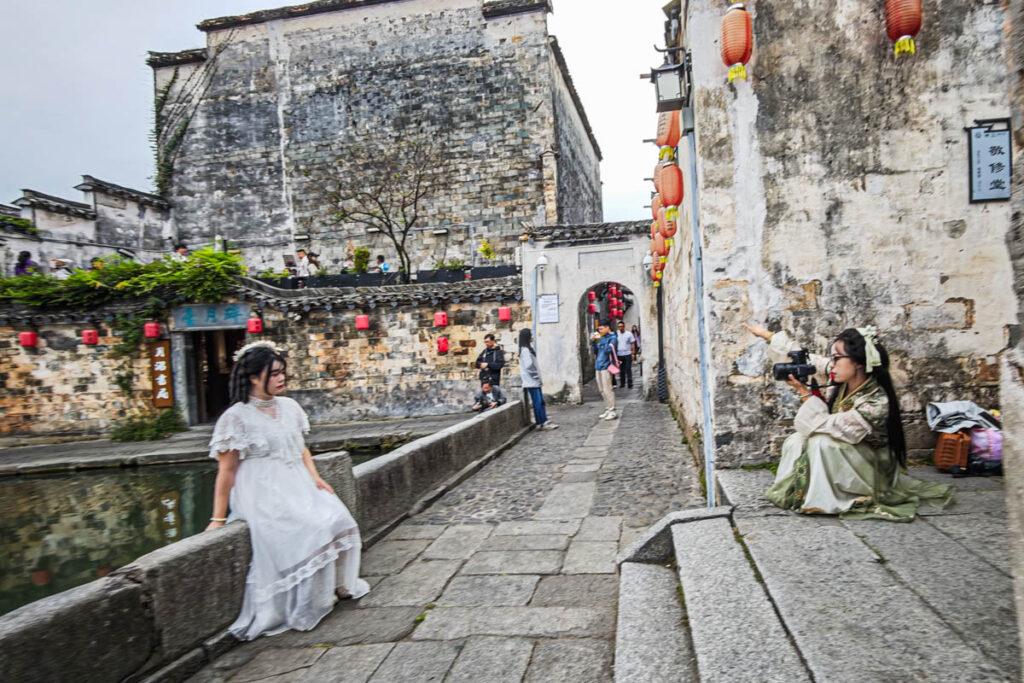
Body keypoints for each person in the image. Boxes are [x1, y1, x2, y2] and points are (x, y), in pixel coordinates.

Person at [206, 341, 369, 640]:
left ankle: (337, 586)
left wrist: (316, 477)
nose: (282, 379)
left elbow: (301, 448)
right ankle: (310, 602)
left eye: (283, 372)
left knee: (339, 520)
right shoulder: (236, 417)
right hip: (261, 488)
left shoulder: (289, 407)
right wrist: (218, 518)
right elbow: (226, 471)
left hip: (296, 480)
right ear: (254, 377)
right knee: (312, 528)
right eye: (275, 373)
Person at [745, 322, 953, 521]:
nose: (832, 364)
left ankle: (835, 499)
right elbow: (810, 360)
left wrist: (805, 394)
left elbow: (828, 425)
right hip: (848, 451)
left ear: (859, 363)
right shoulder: (842, 376)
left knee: (820, 443)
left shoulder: (876, 401)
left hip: (870, 460)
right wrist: (768, 336)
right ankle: (801, 493)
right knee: (796, 439)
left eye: (837, 358)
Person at [518, 328, 558, 430]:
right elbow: (529, 366)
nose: (531, 336)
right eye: (530, 335)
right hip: (532, 381)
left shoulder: (526, 348)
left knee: (539, 402)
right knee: (538, 402)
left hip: (533, 381)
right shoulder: (525, 350)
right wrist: (536, 377)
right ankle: (542, 422)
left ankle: (542, 421)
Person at [592, 321, 618, 420]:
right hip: (598, 366)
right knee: (601, 390)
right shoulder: (601, 338)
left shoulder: (613, 338)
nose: (600, 331)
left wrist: (601, 340)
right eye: (599, 329)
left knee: (608, 389)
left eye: (601, 328)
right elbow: (596, 351)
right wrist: (594, 341)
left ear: (607, 328)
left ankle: (612, 410)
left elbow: (609, 350)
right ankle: (607, 408)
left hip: (607, 366)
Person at [615, 321, 637, 389]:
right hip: (619, 355)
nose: (620, 328)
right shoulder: (616, 334)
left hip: (627, 354)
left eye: (621, 326)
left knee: (628, 369)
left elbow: (632, 344)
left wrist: (633, 354)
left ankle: (630, 383)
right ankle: (622, 383)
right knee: (621, 370)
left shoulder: (629, 334)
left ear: (624, 326)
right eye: (619, 327)